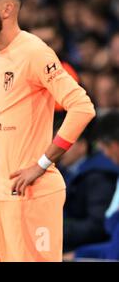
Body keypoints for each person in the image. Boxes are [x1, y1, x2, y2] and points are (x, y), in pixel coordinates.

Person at [0, 0, 96, 262]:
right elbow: (12, 117)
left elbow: (82, 107)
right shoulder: (2, 54)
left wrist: (42, 164)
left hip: (29, 194)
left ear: (7, 9)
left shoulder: (33, 51)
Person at [57, 121, 117, 252]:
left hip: (83, 249)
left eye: (63, 143)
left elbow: (98, 225)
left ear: (82, 145)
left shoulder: (99, 176)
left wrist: (55, 230)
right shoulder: (59, 172)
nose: (57, 149)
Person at [73, 111, 119, 260]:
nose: (104, 154)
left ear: (114, 145)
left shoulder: (99, 174)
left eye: (104, 149)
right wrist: (79, 253)